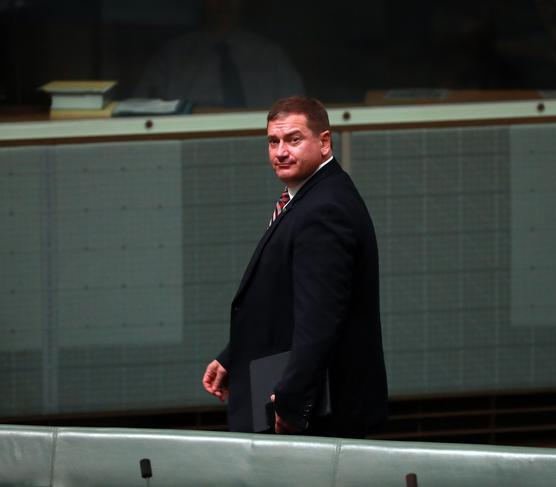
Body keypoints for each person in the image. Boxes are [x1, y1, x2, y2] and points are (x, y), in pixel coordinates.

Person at [202, 96, 388, 438]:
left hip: (313, 415)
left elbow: (319, 319)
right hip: (291, 394)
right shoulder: (309, 197)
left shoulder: (324, 211)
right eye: (273, 142)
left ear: (325, 142)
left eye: (294, 139)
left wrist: (292, 402)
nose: (281, 152)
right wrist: (233, 355)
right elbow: (282, 299)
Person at [135, 0, 304, 108]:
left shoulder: (272, 58)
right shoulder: (171, 58)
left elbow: (299, 115)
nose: (224, 2)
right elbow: (141, 112)